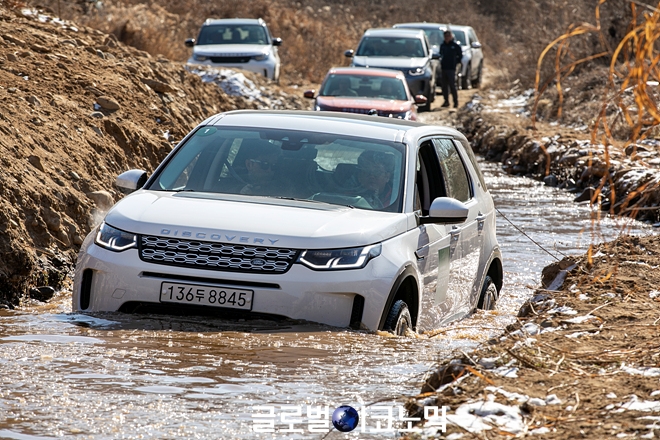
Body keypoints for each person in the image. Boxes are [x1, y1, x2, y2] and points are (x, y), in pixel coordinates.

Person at [439, 30, 462, 108]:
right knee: (444, 86)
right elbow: (440, 54)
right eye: (445, 36)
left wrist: (456, 62)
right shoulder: (443, 45)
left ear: (451, 36)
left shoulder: (455, 46)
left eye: (448, 36)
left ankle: (455, 102)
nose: (447, 38)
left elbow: (460, 55)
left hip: (451, 68)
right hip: (444, 68)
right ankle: (446, 101)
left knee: (452, 85)